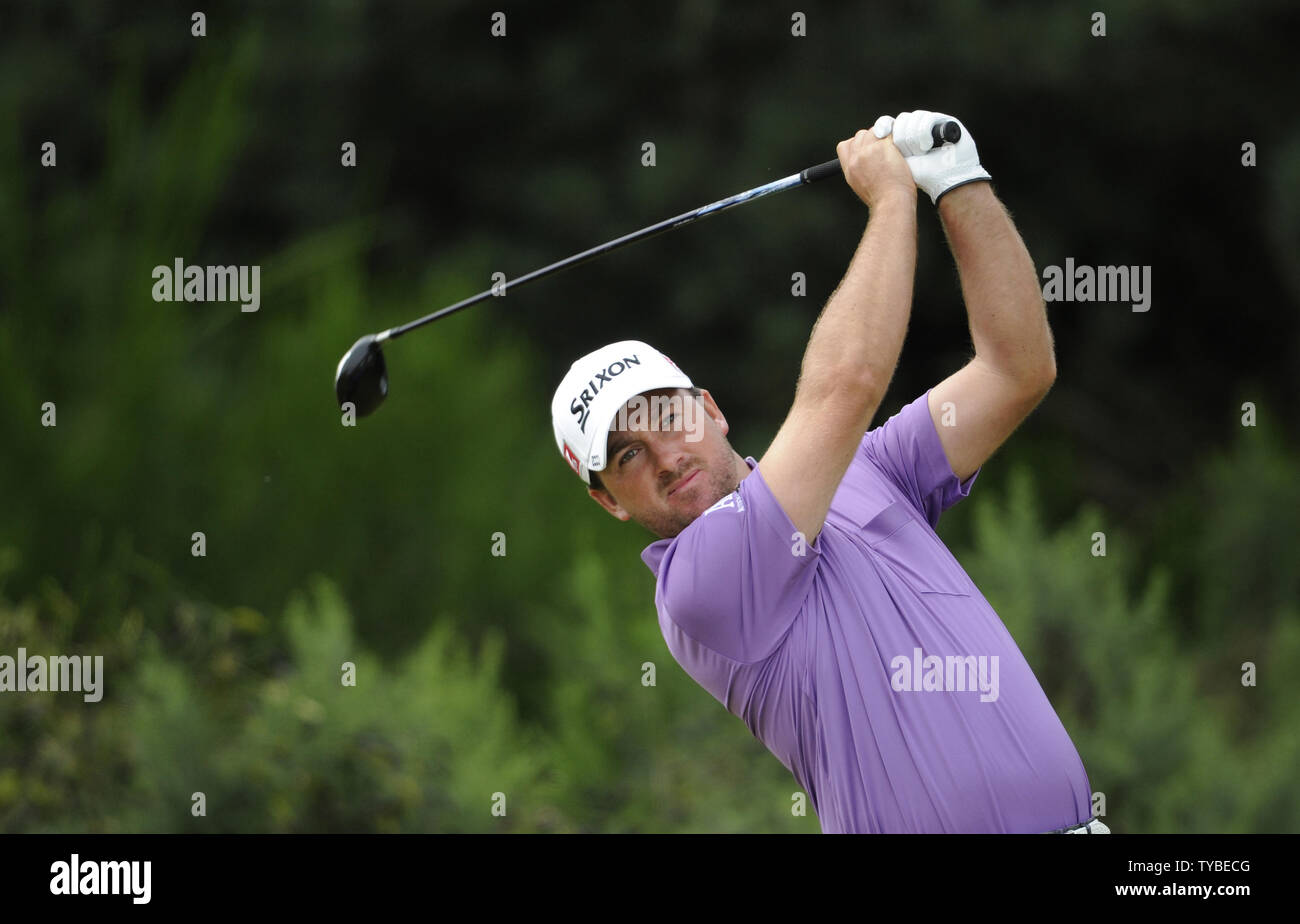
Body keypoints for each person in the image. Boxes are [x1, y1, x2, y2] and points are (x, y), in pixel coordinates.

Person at [549, 111, 1108, 834]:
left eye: (666, 418)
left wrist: (957, 179)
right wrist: (890, 199)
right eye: (626, 455)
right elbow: (847, 384)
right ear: (609, 503)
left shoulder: (869, 467)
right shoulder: (699, 586)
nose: (664, 456)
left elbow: (1016, 369)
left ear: (709, 410)